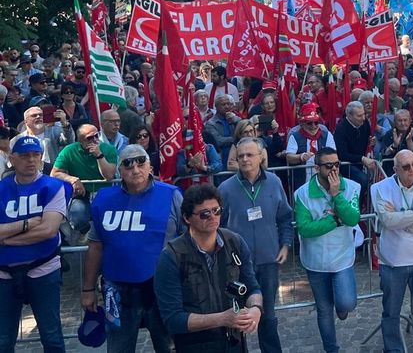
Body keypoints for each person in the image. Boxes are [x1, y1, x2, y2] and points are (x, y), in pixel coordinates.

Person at [81, 145, 182, 352]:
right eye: (127, 164)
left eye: (140, 162)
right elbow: (95, 246)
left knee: (169, 346)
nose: (135, 169)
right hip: (116, 289)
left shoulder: (171, 195)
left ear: (150, 167)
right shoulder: (103, 199)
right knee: (119, 347)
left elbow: (188, 240)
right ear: (119, 170)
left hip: (162, 286)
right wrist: (88, 289)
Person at [155, 183, 264, 352]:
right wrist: (222, 319)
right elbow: (173, 319)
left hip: (234, 344)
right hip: (194, 346)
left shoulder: (235, 242)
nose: (212, 217)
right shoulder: (172, 256)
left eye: (217, 211)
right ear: (187, 218)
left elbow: (253, 288)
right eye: (204, 214)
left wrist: (256, 309)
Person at [219, 137, 293, 353]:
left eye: (249, 155)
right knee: (236, 316)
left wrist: (285, 244)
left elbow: (285, 217)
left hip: (268, 260)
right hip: (236, 264)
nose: (244, 159)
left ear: (261, 157)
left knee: (267, 315)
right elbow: (218, 226)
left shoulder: (274, 182)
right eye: (240, 155)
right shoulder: (225, 188)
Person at [0, 135, 71, 353]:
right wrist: (26, 224)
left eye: (35, 155)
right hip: (4, 273)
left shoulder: (54, 186)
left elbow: (48, 230)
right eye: (24, 156)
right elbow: (39, 228)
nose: (31, 160)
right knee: (3, 340)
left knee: (51, 337)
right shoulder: (2, 188)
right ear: (12, 159)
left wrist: (5, 239)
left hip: (44, 269)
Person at [371, 149, 413, 353]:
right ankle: (393, 350)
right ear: (395, 169)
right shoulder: (379, 188)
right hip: (392, 260)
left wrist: (401, 221)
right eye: (406, 166)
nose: (412, 170)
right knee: (391, 312)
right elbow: (387, 220)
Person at [294, 147, 361, 353]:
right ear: (317, 168)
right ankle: (331, 349)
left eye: (337, 164)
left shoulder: (352, 187)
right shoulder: (302, 193)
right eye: (329, 165)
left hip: (342, 258)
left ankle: (341, 307)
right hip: (315, 261)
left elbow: (352, 218)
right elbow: (305, 229)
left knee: (347, 303)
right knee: (324, 310)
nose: (334, 169)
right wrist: (334, 221)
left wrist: (337, 195)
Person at [51, 122, 118, 234]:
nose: (94, 140)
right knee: (78, 220)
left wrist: (99, 156)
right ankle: (85, 236)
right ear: (80, 140)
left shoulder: (109, 149)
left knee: (108, 222)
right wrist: (72, 179)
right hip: (82, 194)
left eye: (96, 135)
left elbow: (109, 176)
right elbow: (55, 173)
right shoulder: (69, 150)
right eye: (89, 138)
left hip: (104, 193)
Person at [284, 103, 335, 187]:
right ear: (302, 123)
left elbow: (333, 154)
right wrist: (301, 157)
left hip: (324, 179)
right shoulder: (295, 136)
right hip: (302, 181)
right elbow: (289, 157)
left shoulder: (327, 135)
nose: (313, 126)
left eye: (316, 122)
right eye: (309, 123)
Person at [333, 100, 378, 189]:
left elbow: (368, 138)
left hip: (362, 161)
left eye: (364, 114)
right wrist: (362, 158)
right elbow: (342, 154)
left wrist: (371, 142)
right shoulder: (340, 129)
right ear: (349, 116)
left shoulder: (364, 123)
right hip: (347, 164)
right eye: (359, 116)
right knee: (363, 180)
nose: (363, 118)